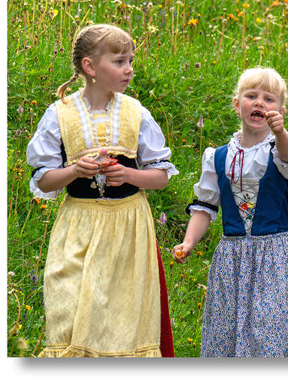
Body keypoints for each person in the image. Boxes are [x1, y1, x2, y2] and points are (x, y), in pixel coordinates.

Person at [27, 23, 178, 357]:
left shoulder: (136, 113)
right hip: (78, 225)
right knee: (68, 306)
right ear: (90, 67)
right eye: (120, 61)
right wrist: (73, 171)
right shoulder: (59, 114)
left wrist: (128, 174)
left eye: (131, 61)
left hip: (128, 228)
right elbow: (44, 180)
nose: (129, 69)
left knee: (122, 318)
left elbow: (161, 176)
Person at [174, 67, 288, 357]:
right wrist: (188, 242)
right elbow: (205, 207)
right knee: (226, 330)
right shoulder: (218, 156)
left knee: (269, 332)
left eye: (269, 99)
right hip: (231, 259)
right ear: (238, 104)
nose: (259, 102)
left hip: (273, 258)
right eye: (251, 96)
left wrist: (280, 132)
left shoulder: (279, 149)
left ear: (280, 111)